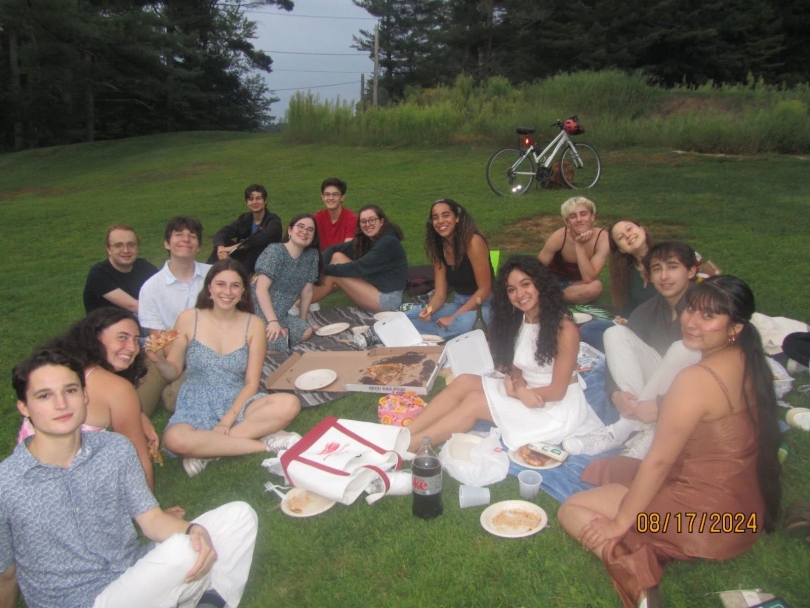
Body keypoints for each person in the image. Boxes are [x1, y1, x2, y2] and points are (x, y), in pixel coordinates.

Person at [558, 275, 781, 608]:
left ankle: (639, 580)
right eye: (692, 309)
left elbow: (659, 462)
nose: (691, 322)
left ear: (735, 327)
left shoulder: (695, 379)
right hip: (744, 519)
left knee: (572, 508)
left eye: (709, 316)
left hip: (701, 524)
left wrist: (620, 523)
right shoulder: (749, 360)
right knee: (609, 467)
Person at [1, 347, 258, 608]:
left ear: (85, 395)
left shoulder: (114, 449)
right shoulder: (7, 483)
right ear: (24, 407)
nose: (61, 404)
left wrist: (194, 529)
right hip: (77, 602)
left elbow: (152, 521)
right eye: (44, 396)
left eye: (70, 390)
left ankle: (208, 603)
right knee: (182, 552)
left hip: (130, 575)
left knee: (239, 516)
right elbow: (6, 575)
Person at [403, 256, 603, 453]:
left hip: (552, 407)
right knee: (464, 381)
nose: (519, 294)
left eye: (526, 285)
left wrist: (517, 392)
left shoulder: (564, 329)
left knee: (475, 402)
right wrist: (517, 383)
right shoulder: (520, 319)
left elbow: (558, 391)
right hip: (523, 387)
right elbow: (515, 365)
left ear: (540, 284)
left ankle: (407, 447)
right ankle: (402, 433)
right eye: (511, 290)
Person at [149, 259, 302, 477]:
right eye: (221, 284)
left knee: (289, 403)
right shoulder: (188, 319)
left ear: (243, 292)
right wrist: (158, 361)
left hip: (238, 399)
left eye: (235, 285)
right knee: (174, 439)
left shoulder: (254, 324)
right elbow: (173, 371)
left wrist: (227, 420)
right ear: (209, 288)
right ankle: (266, 445)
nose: (227, 292)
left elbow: (251, 382)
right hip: (195, 401)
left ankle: (209, 449)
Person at [564, 242, 703, 460]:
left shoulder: (708, 307)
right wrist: (615, 393)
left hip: (697, 390)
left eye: (673, 267)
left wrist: (661, 406)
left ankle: (630, 427)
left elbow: (718, 370)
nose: (664, 276)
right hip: (656, 386)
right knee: (614, 334)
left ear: (692, 271)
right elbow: (618, 356)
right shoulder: (649, 309)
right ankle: (638, 426)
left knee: (682, 349)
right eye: (657, 269)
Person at [16, 308, 159, 492]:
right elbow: (137, 456)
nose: (132, 348)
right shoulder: (118, 389)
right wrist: (151, 514)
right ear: (95, 337)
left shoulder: (58, 370)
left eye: (135, 339)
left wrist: (137, 415)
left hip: (27, 480)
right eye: (122, 337)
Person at [137, 216, 211, 415]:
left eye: (192, 236)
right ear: (166, 243)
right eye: (179, 235)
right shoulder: (151, 288)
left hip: (210, 352)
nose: (186, 239)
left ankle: (177, 386)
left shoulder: (214, 276)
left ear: (198, 246)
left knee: (174, 400)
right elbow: (161, 339)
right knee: (138, 406)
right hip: (169, 354)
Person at [405, 199, 494, 340]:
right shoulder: (440, 248)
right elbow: (440, 295)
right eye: (435, 217)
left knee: (462, 324)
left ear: (457, 218)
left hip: (484, 305)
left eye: (446, 215)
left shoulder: (473, 241)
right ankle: (442, 335)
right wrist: (428, 311)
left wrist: (453, 317)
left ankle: (434, 336)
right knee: (410, 317)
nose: (440, 221)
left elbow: (485, 289)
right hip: (459, 303)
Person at [310, 205, 408, 313]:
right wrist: (318, 266)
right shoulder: (368, 239)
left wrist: (322, 269)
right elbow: (334, 248)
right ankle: (308, 300)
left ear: (381, 221)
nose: (367, 224)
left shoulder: (388, 242)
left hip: (387, 300)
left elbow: (358, 268)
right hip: (375, 287)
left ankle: (299, 305)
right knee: (337, 256)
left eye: (372, 220)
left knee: (334, 273)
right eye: (363, 221)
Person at [580, 219, 656, 351]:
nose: (628, 235)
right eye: (620, 237)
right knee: (589, 329)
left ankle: (630, 353)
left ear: (642, 230)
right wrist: (623, 319)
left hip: (659, 327)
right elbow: (628, 305)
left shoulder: (664, 262)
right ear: (621, 249)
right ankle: (627, 351)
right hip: (634, 326)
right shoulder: (628, 271)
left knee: (614, 338)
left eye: (629, 229)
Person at [252, 214, 322, 353]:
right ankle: (256, 346)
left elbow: (307, 292)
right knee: (276, 342)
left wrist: (303, 321)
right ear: (290, 230)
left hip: (281, 314)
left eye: (310, 230)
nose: (304, 231)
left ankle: (264, 345)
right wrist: (272, 322)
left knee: (306, 331)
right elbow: (260, 289)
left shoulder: (312, 256)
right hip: (258, 310)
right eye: (300, 227)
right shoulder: (275, 251)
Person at [538, 196, 610, 304]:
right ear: (567, 222)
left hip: (577, 285)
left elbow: (589, 278)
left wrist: (579, 245)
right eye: (573, 216)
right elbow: (536, 267)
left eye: (583, 214)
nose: (579, 219)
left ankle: (551, 298)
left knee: (595, 287)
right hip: (552, 282)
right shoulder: (559, 237)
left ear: (592, 217)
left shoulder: (603, 239)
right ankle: (552, 297)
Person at [83, 224, 158, 315]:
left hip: (137, 321)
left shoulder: (144, 266)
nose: (126, 250)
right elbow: (132, 306)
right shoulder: (99, 274)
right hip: (105, 326)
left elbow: (166, 289)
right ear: (109, 249)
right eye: (119, 245)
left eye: (131, 245)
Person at [207, 183, 283, 274]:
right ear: (247, 202)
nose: (254, 202)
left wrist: (230, 249)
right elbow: (224, 232)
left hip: (263, 258)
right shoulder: (245, 218)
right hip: (243, 257)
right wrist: (220, 248)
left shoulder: (274, 221)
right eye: (251, 199)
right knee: (219, 248)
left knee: (254, 250)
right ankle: (206, 276)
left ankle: (237, 272)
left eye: (258, 198)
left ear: (265, 201)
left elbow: (258, 239)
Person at [313, 177, 357, 252]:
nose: (331, 198)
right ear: (322, 197)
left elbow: (347, 249)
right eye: (327, 194)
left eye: (335, 194)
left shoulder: (351, 218)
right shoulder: (317, 218)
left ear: (342, 197)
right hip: (323, 260)